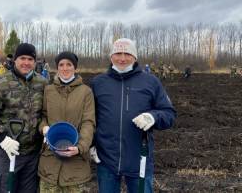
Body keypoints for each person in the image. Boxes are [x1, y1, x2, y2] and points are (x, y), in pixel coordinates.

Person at [90, 38, 176, 193]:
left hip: (139, 159)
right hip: (106, 159)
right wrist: (90, 144)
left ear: (135, 57)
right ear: (111, 57)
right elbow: (89, 118)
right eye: (118, 53)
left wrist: (153, 117)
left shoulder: (151, 82)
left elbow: (169, 114)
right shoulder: (98, 83)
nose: (122, 58)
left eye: (127, 54)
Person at [0, 43, 48, 193]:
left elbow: (45, 113)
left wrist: (45, 128)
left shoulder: (43, 83)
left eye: (30, 59)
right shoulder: (0, 83)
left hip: (33, 155)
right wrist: (2, 138)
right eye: (22, 58)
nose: (26, 63)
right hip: (9, 153)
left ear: (35, 62)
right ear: (15, 60)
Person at [38, 51, 95, 192]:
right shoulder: (48, 90)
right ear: (57, 68)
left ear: (75, 68)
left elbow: (88, 122)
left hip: (76, 166)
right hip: (49, 162)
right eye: (61, 65)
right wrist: (44, 127)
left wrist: (80, 147)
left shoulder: (85, 92)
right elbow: (42, 116)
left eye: (69, 64)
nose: (65, 68)